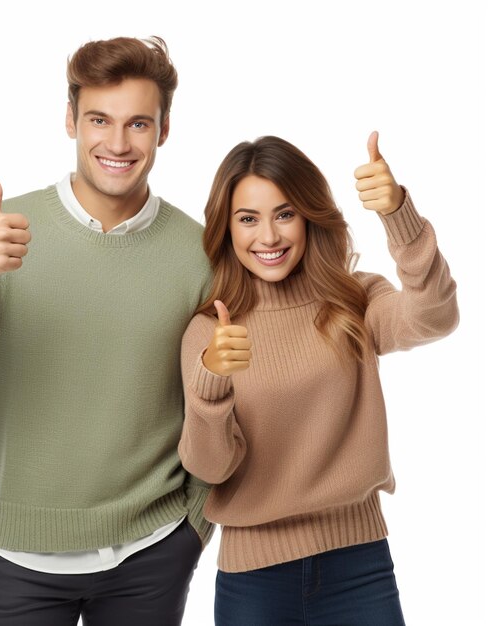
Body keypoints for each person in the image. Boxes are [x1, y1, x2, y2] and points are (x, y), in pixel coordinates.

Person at [0, 36, 214, 626]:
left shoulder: (197, 254)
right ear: (70, 120)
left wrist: (195, 524)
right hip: (20, 558)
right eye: (99, 119)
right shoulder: (5, 232)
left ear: (164, 130)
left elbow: (223, 398)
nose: (117, 143)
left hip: (153, 553)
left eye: (138, 123)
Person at [178, 133, 459, 625]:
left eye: (284, 214)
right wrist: (212, 385)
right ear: (227, 229)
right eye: (248, 219)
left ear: (310, 216)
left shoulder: (354, 301)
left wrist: (399, 217)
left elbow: (434, 316)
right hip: (253, 580)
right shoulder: (210, 331)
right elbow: (210, 468)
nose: (268, 237)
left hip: (360, 564)